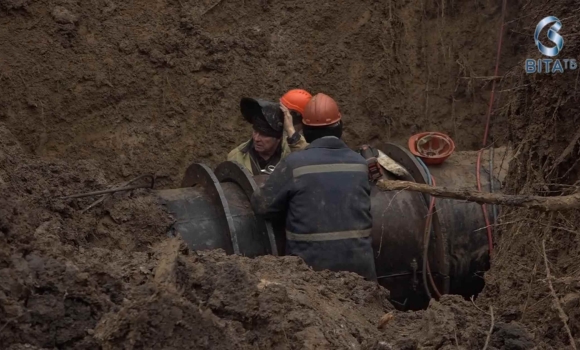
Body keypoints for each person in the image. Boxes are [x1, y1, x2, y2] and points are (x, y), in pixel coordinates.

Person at [251, 93, 377, 281]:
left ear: (306, 131)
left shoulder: (294, 164)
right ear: (340, 127)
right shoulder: (360, 164)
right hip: (361, 277)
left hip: (311, 278)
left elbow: (262, 206)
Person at [227, 97, 300, 175]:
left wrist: (290, 130)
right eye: (255, 131)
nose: (256, 138)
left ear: (278, 138)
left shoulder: (292, 153)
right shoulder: (236, 157)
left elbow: (307, 160)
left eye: (263, 134)